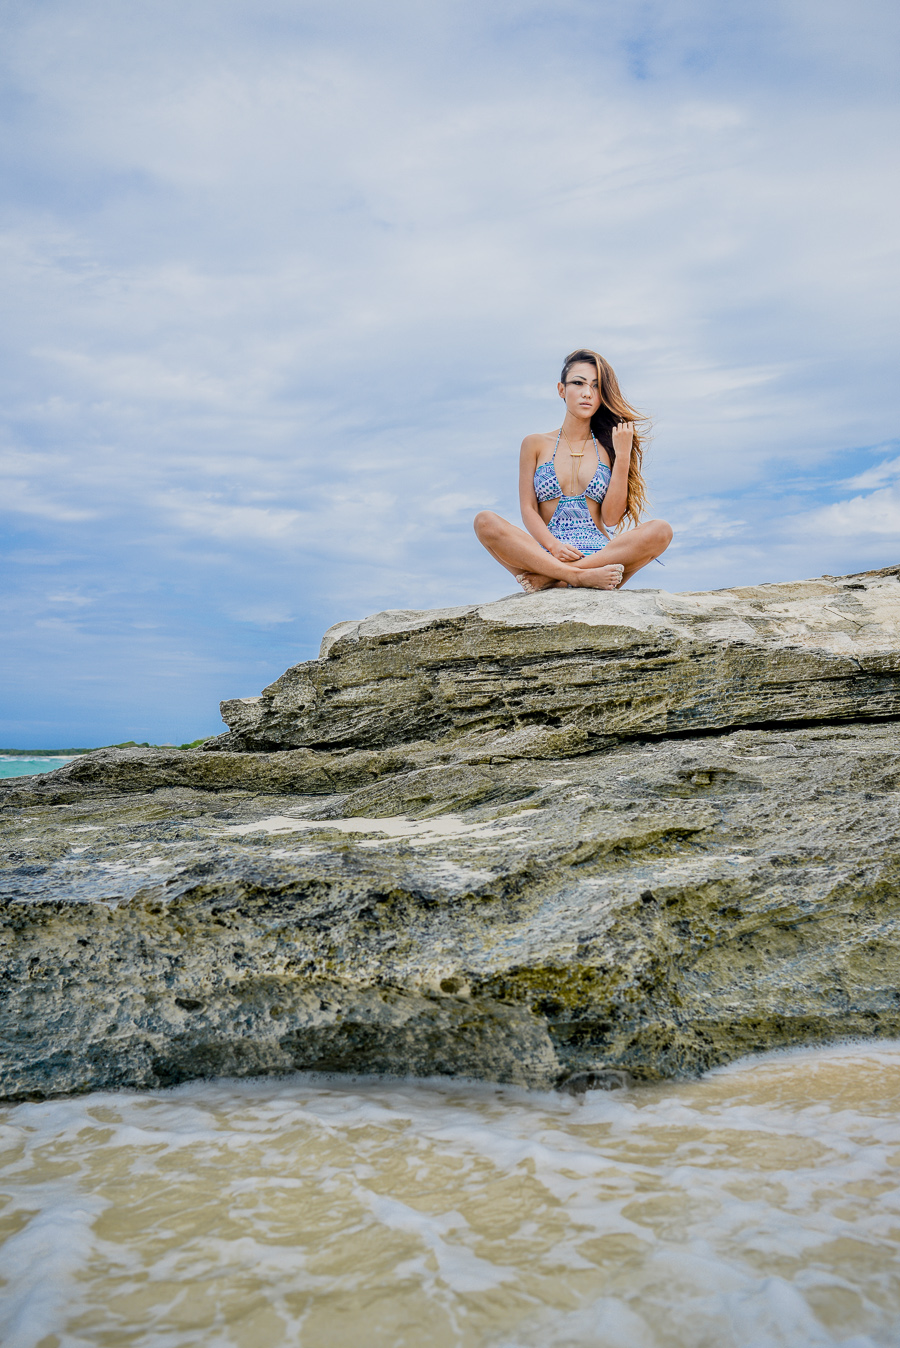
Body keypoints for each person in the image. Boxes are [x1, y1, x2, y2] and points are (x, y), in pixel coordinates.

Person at [474, 349, 672, 591]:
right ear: (561, 389)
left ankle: (562, 578)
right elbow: (528, 509)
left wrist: (622, 456)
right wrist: (554, 548)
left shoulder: (607, 448)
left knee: (661, 530)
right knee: (484, 521)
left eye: (596, 387)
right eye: (578, 383)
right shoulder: (534, 444)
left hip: (600, 558)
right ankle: (573, 576)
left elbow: (610, 518)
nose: (587, 393)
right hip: (546, 555)